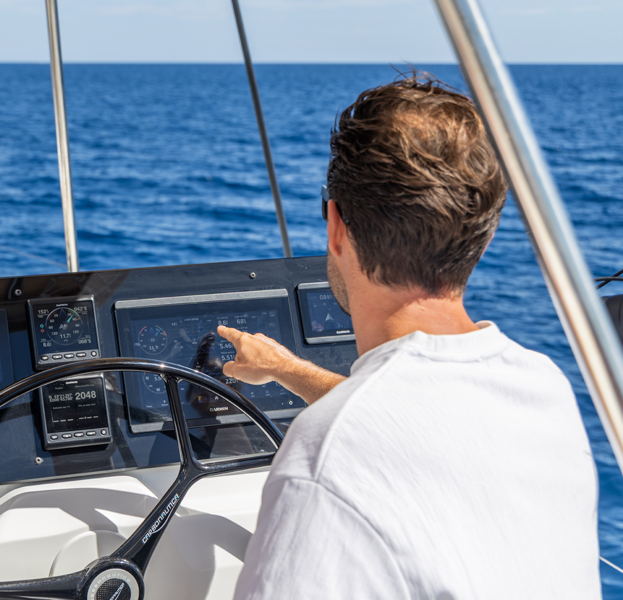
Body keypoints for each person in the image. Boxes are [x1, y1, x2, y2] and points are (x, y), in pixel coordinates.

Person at [219, 74, 600, 599]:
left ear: (336, 227)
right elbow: (415, 429)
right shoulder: (545, 389)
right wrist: (287, 369)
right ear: (483, 234)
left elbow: (370, 436)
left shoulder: (326, 455)